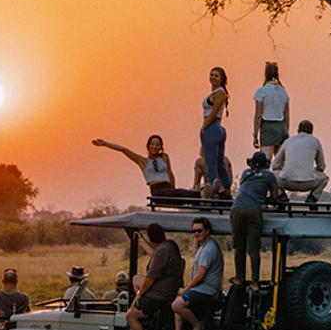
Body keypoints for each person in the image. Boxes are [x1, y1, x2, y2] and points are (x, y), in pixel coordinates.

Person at [127, 222, 184, 330]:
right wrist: (142, 241)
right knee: (135, 279)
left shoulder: (162, 251)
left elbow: (150, 279)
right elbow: (156, 254)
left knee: (130, 316)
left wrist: (139, 296)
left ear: (151, 238)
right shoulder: (170, 245)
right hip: (170, 289)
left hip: (161, 294)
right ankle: (147, 314)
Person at [229, 152, 282, 285]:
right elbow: (275, 198)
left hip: (237, 208)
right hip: (254, 210)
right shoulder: (270, 175)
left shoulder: (246, 173)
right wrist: (264, 199)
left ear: (252, 163)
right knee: (253, 249)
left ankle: (239, 278)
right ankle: (254, 283)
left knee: (239, 247)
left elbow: (245, 189)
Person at [171, 216, 224, 330]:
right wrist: (196, 238)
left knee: (176, 305)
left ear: (207, 231)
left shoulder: (208, 250)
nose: (196, 234)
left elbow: (199, 276)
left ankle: (197, 325)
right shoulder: (205, 246)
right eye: (193, 231)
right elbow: (195, 252)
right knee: (178, 301)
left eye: (199, 231)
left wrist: (185, 289)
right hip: (202, 287)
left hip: (207, 288)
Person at [91, 135, 192, 197]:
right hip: (157, 190)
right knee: (182, 194)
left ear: (161, 147)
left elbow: (170, 173)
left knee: (185, 193)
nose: (154, 147)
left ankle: (202, 197)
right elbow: (124, 150)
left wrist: (173, 188)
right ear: (148, 146)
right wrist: (105, 143)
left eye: (157, 145)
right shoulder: (143, 161)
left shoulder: (164, 157)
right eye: (152, 144)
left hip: (169, 189)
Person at [271, 119, 329, 203]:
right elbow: (322, 166)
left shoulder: (288, 141)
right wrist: (312, 172)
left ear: (298, 130)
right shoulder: (315, 141)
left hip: (287, 182)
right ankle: (312, 198)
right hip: (308, 183)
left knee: (272, 175)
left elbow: (275, 165)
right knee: (324, 178)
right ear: (312, 132)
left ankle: (282, 196)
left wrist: (285, 170)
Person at [199, 66, 230, 196]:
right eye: (211, 75)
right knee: (219, 162)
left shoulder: (220, 92)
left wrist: (203, 127)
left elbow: (214, 112)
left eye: (216, 75)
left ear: (222, 78)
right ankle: (227, 192)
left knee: (210, 163)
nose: (213, 78)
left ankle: (210, 191)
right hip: (217, 129)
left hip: (212, 127)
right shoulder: (216, 92)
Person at [252, 61, 290, 160]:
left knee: (265, 161)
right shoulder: (283, 92)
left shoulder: (261, 91)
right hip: (281, 127)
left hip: (268, 127)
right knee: (280, 164)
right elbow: (287, 116)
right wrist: (286, 130)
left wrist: (255, 134)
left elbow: (258, 115)